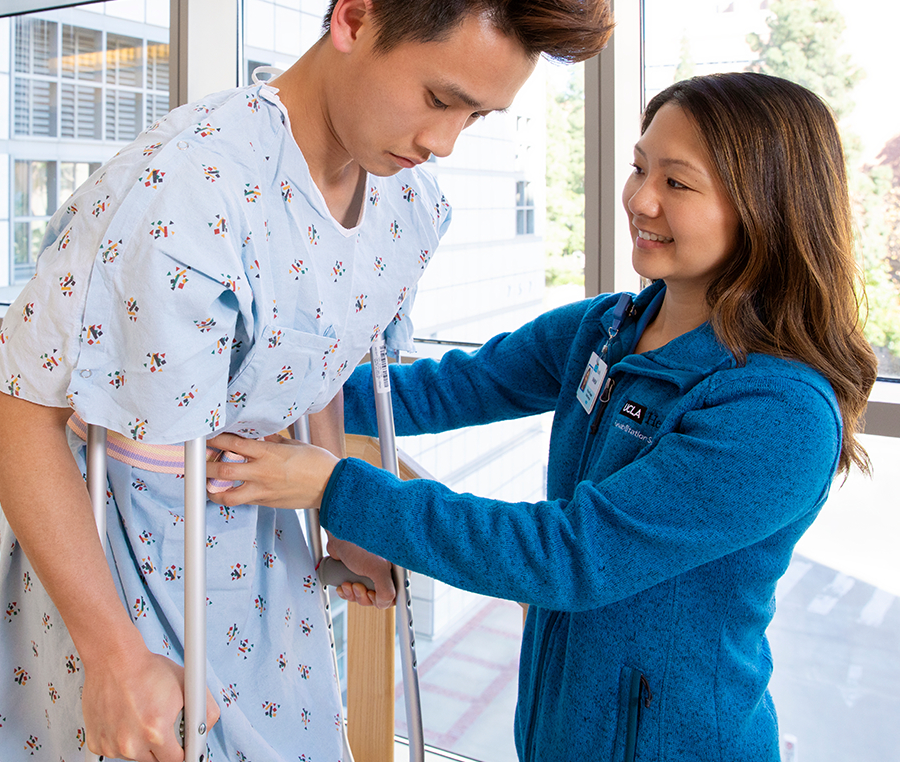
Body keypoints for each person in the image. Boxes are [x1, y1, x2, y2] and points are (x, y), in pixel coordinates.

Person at [0, 0, 613, 761]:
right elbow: (15, 416)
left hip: (264, 549)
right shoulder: (184, 186)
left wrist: (346, 516)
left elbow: (321, 370)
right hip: (113, 555)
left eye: (477, 117)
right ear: (354, 18)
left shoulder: (410, 207)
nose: (447, 141)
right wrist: (112, 655)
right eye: (438, 98)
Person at [205, 72, 879, 761]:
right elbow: (437, 391)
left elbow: (565, 556)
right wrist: (232, 375)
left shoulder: (776, 414)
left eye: (676, 184)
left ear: (765, 208)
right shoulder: (607, 329)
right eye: (639, 167)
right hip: (559, 730)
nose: (640, 200)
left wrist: (332, 488)